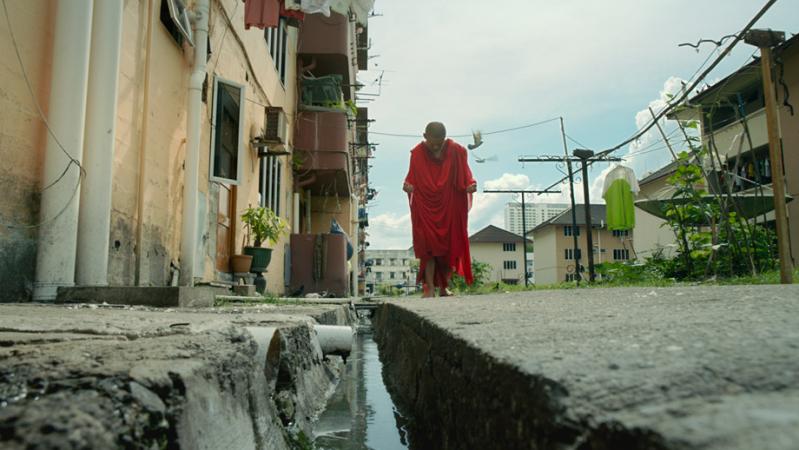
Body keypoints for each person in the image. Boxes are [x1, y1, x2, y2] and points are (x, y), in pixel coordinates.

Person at [403, 122, 477, 297]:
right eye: (433, 142)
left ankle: (444, 287)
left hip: (449, 203)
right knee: (428, 247)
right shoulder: (417, 154)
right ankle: (429, 287)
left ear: (445, 138)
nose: (436, 146)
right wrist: (408, 186)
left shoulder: (457, 151)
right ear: (425, 136)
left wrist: (470, 185)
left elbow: (466, 175)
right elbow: (410, 178)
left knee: (447, 248)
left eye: (440, 142)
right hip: (426, 205)